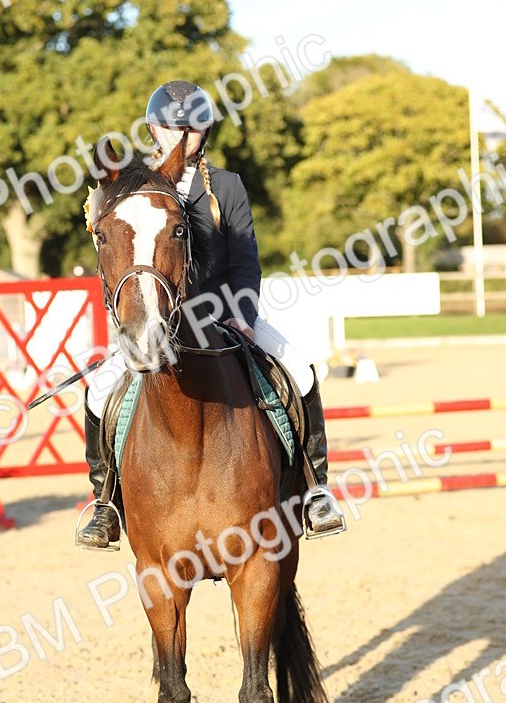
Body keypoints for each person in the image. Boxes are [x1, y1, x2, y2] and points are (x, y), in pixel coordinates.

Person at [77, 79, 346, 548]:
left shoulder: (226, 186)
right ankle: (104, 502)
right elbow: (117, 254)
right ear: (152, 130)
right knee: (99, 390)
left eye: (192, 128)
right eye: (169, 127)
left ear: (206, 131)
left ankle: (316, 488)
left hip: (223, 316)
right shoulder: (132, 188)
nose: (181, 136)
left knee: (300, 369)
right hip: (156, 321)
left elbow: (245, 260)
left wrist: (243, 312)